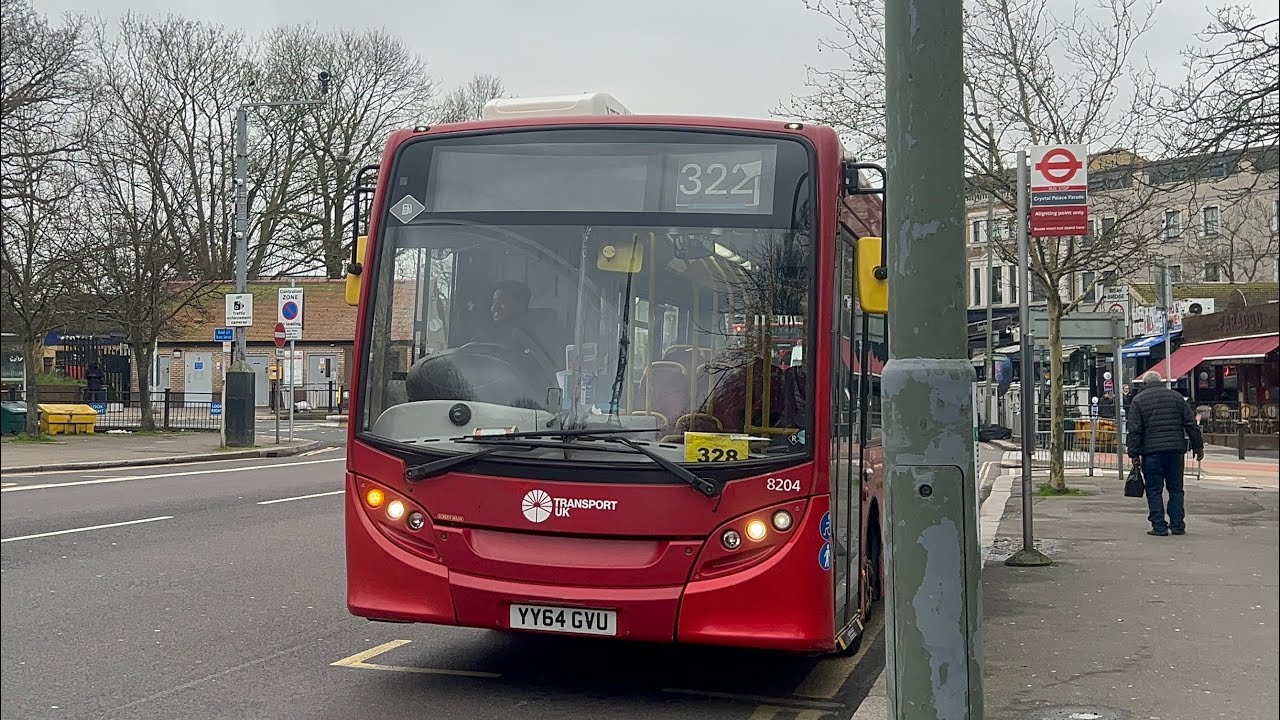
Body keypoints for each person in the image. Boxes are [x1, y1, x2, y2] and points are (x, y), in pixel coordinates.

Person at [1126, 369, 1204, 536]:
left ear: (1145, 384)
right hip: (1175, 451)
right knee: (1176, 488)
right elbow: (1191, 424)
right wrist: (1198, 447)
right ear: (1161, 382)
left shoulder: (1138, 401)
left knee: (1154, 489)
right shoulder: (1176, 398)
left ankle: (1159, 526)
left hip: (1152, 452)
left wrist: (1133, 454)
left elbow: (1134, 430)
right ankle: (1177, 525)